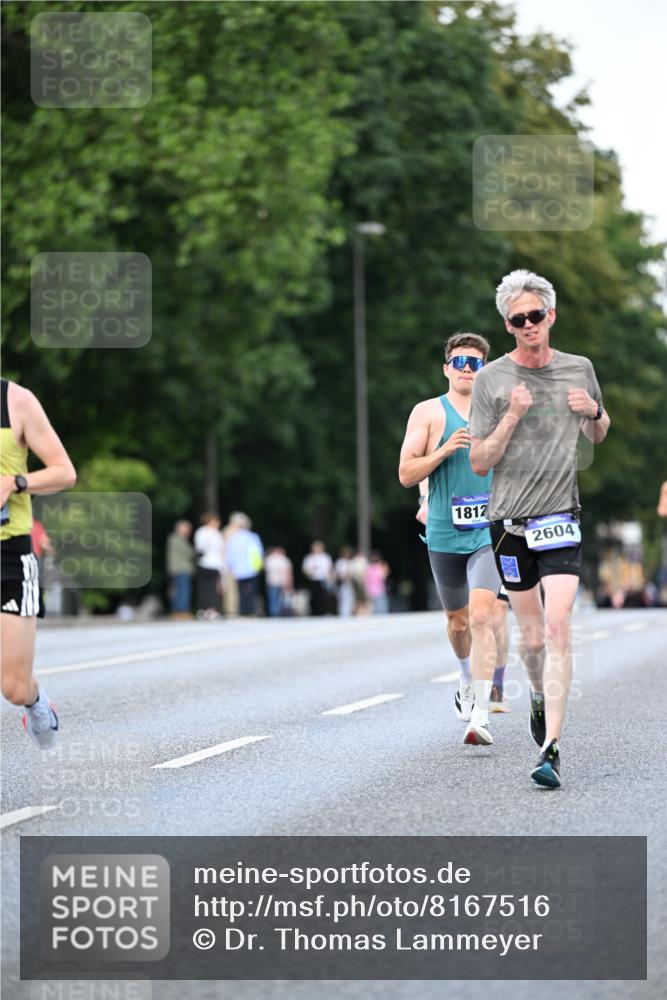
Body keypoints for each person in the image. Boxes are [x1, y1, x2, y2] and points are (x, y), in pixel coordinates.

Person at [470, 269, 610, 788]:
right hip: (508, 524)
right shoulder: (492, 380)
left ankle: (551, 747)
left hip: (561, 517)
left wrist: (593, 410)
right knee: (530, 636)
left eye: (536, 315)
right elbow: (480, 462)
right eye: (517, 319)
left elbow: (600, 429)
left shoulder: (579, 368)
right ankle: (535, 692)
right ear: (507, 325)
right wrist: (510, 418)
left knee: (557, 627)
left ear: (550, 316)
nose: (528, 324)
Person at [399, 333, 503, 745]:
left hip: (487, 531)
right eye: (459, 361)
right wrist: (443, 451)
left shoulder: (496, 414)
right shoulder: (427, 413)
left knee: (482, 616)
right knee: (457, 621)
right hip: (443, 532)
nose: (465, 369)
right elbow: (406, 474)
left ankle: (480, 711)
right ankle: (465, 681)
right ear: (446, 368)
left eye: (474, 363)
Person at [0, 378, 76, 748]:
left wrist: (16, 481)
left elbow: (64, 471)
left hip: (9, 556)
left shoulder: (16, 401)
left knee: (13, 687)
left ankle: (35, 700)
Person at [225, 512, 264, 616]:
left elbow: (230, 554)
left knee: (242, 592)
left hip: (238, 570)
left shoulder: (233, 538)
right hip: (250, 569)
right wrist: (258, 565)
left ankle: (243, 610)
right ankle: (250, 610)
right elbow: (258, 552)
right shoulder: (252, 537)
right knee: (250, 592)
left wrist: (230, 565)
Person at [193, 512, 225, 620]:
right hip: (204, 563)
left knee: (212, 589)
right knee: (204, 588)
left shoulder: (217, 534)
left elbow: (221, 550)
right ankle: (203, 610)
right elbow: (200, 548)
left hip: (215, 564)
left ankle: (211, 609)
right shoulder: (202, 532)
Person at [165, 519, 195, 618]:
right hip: (181, 569)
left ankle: (177, 611)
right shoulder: (177, 539)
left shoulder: (175, 539)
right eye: (187, 528)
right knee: (183, 591)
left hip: (178, 569)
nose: (189, 531)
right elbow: (188, 553)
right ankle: (181, 611)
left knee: (177, 591)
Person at [302, 541, 333, 616]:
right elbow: (305, 569)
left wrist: (329, 578)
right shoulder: (309, 557)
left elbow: (329, 569)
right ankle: (314, 612)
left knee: (322, 597)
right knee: (313, 597)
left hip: (323, 579)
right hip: (313, 580)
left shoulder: (325, 557)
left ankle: (322, 612)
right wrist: (310, 572)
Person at [264, 546, 293, 617]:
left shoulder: (269, 559)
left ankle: (274, 614)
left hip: (272, 581)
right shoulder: (284, 559)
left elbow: (266, 571)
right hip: (282, 581)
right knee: (281, 599)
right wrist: (289, 582)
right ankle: (280, 613)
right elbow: (288, 572)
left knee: (273, 598)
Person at [335, 547, 356, 617]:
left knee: (351, 598)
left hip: (350, 583)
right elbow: (339, 573)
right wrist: (344, 577)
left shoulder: (351, 562)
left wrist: (349, 577)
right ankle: (343, 614)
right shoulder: (339, 562)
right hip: (342, 583)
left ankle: (350, 613)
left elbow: (353, 573)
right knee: (343, 599)